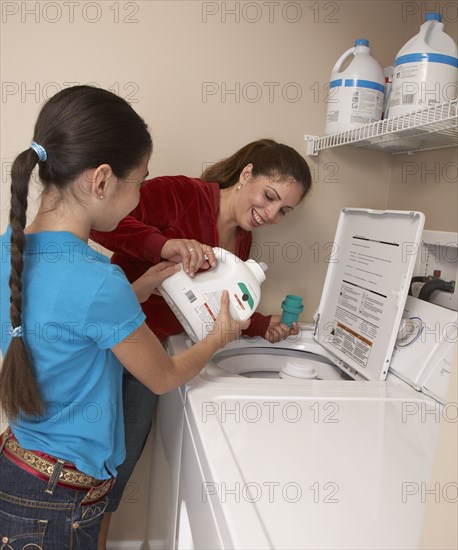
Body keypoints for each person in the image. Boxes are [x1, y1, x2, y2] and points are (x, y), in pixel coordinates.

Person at [0, 85, 248, 550]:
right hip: (62, 498)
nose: (139, 199)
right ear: (101, 181)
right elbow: (164, 375)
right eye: (140, 182)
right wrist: (219, 335)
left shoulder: (8, 253)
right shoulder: (97, 280)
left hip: (18, 472)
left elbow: (62, 327)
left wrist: (141, 286)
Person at [90, 138, 312, 544]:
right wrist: (164, 246)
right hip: (114, 344)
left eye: (284, 210)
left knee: (118, 469)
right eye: (269, 196)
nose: (271, 213)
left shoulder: (242, 239)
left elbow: (219, 302)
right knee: (89, 464)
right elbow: (104, 222)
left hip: (157, 356)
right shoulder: (179, 193)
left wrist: (263, 324)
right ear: (246, 174)